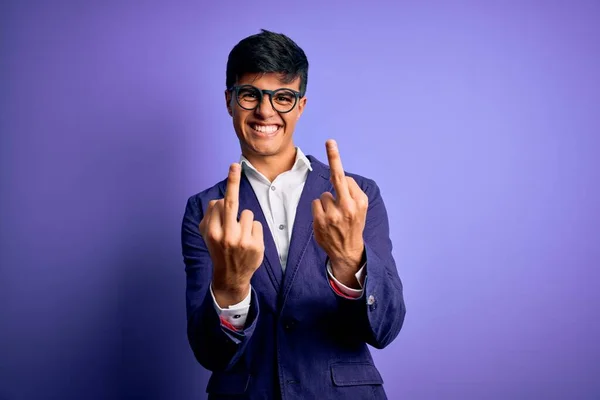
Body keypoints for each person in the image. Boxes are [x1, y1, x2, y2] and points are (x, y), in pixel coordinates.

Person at [180, 29, 406, 399]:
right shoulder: (204, 211)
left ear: (300, 106)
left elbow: (386, 328)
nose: (265, 111)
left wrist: (349, 258)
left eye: (282, 97)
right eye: (250, 94)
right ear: (229, 101)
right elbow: (210, 352)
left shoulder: (357, 196)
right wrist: (231, 285)